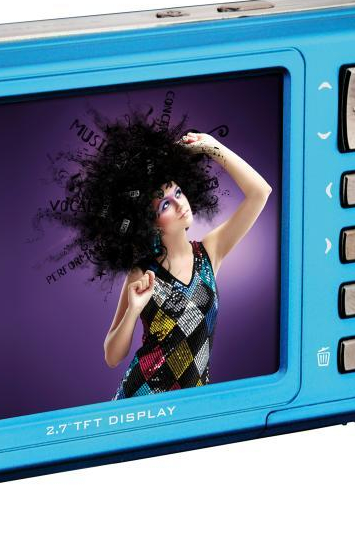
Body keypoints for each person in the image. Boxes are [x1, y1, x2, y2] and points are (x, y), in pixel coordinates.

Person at [40, 107, 272, 398]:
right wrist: (133, 310)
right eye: (164, 204)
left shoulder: (209, 253)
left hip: (192, 402)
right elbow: (112, 356)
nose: (178, 203)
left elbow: (260, 192)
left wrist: (212, 147)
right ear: (148, 222)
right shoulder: (143, 273)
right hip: (143, 399)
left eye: (177, 192)